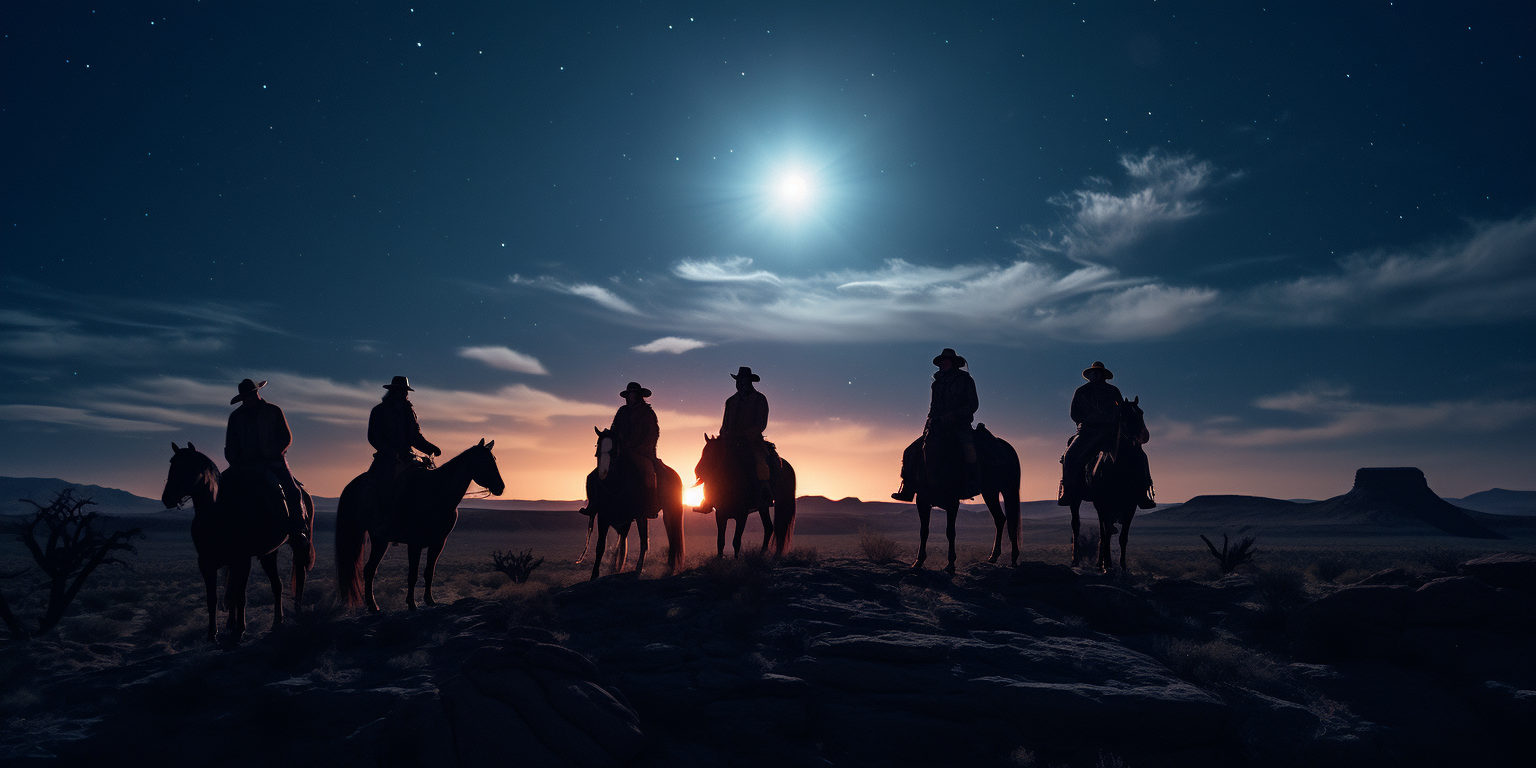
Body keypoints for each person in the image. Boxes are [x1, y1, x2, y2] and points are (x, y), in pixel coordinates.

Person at [225, 378, 308, 545]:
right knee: (221, 487)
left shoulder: (273, 411)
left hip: (273, 462)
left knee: (292, 490)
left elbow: (286, 438)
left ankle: (298, 528)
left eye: (251, 395)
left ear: (257, 392)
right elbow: (230, 444)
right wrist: (235, 460)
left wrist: (271, 454)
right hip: (243, 465)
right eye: (245, 397)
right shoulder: (236, 417)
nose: (248, 399)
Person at [1058, 361, 1124, 505]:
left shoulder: (1113, 391)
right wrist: (1088, 420)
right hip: (1087, 432)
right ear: (1090, 375)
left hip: (1110, 432)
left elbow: (1121, 411)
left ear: (1103, 375)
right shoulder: (1081, 392)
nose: (1096, 375)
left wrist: (1111, 420)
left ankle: (1144, 490)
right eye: (1094, 373)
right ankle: (1068, 490)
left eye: (1099, 373)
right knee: (1069, 456)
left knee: (1138, 455)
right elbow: (1075, 413)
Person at [720, 366, 780, 496]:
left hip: (751, 441)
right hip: (730, 441)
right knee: (714, 460)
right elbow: (724, 424)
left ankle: (765, 491)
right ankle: (709, 496)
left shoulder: (760, 399)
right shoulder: (730, 401)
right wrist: (724, 435)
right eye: (738, 381)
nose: (739, 384)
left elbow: (760, 424)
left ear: (748, 382)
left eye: (742, 381)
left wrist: (744, 436)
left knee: (760, 461)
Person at [367, 375, 441, 480]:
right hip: (385, 459)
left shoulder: (409, 412)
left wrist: (430, 449)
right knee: (377, 485)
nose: (404, 394)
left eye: (405, 391)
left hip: (407, 457)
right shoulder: (379, 411)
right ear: (393, 392)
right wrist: (392, 453)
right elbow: (374, 437)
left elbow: (415, 436)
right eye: (401, 391)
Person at [610, 381, 660, 489]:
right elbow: (614, 429)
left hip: (643, 454)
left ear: (639, 396)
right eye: (629, 395)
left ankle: (651, 501)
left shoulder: (648, 413)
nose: (631, 397)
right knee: (602, 473)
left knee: (649, 473)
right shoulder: (622, 412)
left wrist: (638, 450)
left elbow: (652, 435)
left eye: (634, 394)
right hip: (621, 453)